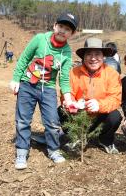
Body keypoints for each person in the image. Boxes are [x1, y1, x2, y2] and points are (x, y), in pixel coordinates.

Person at [9, 11, 79, 169]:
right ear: (55, 26)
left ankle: (53, 149)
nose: (62, 30)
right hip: (27, 84)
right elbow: (24, 58)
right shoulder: (40, 39)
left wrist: (68, 98)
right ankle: (22, 151)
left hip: (48, 89)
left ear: (72, 34)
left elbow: (64, 79)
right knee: (22, 120)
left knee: (53, 122)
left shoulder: (66, 53)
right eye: (60, 26)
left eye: (67, 29)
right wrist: (15, 79)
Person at [61, 37, 122, 154]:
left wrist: (99, 104)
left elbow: (115, 98)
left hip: (100, 117)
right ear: (83, 56)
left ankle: (105, 140)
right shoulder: (73, 72)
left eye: (97, 54)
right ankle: (76, 138)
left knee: (115, 116)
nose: (93, 58)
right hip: (79, 116)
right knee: (61, 110)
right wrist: (71, 103)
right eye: (89, 54)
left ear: (103, 56)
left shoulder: (112, 74)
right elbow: (67, 93)